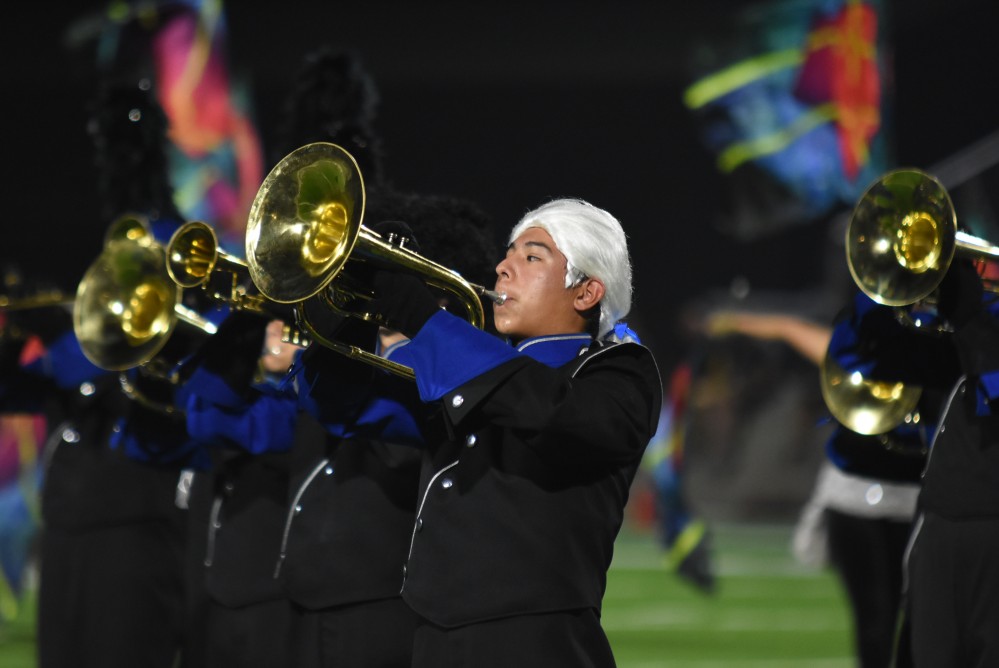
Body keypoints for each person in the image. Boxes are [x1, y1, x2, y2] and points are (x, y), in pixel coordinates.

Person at [342, 198, 663, 666]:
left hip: (536, 644)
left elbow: (549, 409)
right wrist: (345, 303)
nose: (502, 267)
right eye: (509, 253)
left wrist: (424, 318)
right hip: (432, 634)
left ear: (587, 293)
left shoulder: (620, 373)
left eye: (532, 257)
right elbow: (347, 406)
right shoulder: (474, 369)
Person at [704, 302, 930, 668]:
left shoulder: (934, 357)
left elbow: (787, 325)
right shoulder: (850, 353)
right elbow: (787, 326)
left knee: (914, 621)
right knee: (874, 618)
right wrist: (736, 321)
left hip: (914, 499)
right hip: (854, 498)